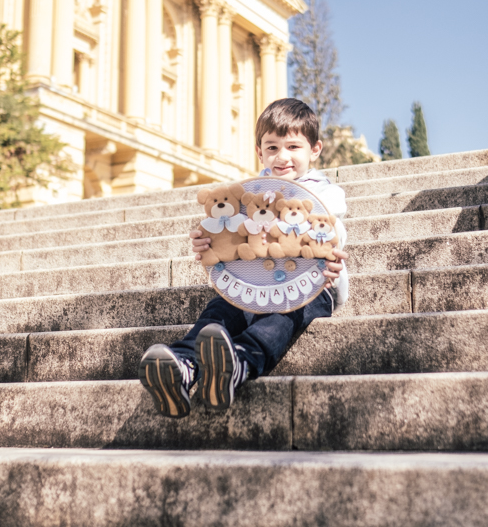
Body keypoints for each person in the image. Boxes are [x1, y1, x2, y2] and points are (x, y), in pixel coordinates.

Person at [138, 98, 349, 418]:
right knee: (220, 310)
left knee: (281, 317)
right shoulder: (246, 196)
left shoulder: (326, 192)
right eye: (273, 147)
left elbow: (333, 230)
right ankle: (184, 367)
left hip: (312, 286)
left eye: (293, 147)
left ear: (315, 150)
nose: (283, 157)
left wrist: (329, 249)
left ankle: (237, 364)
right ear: (259, 152)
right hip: (255, 280)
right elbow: (229, 234)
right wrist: (208, 242)